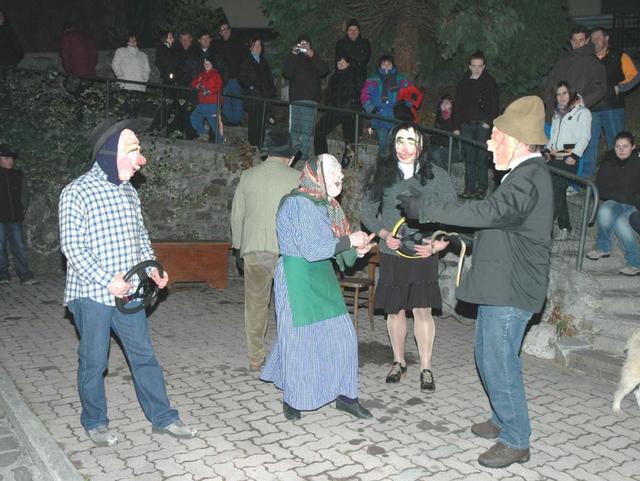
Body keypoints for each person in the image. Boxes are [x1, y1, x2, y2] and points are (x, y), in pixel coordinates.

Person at [398, 96, 553, 468]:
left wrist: (430, 209)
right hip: (499, 285)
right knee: (487, 356)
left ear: (516, 140)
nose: (488, 142)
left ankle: (517, 439)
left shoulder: (530, 177)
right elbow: (499, 229)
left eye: (496, 135)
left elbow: (489, 212)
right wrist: (453, 239)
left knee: (500, 363)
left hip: (512, 289)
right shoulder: (519, 176)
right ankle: (502, 419)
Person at [58, 119, 198, 447]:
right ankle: (95, 421)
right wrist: (107, 281)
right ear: (110, 153)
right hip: (92, 294)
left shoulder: (129, 193)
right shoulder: (76, 192)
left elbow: (140, 237)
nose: (142, 159)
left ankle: (163, 418)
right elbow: (72, 247)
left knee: (144, 356)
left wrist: (151, 268)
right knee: (94, 361)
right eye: (134, 150)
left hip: (130, 293)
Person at [260, 154, 375, 420]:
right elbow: (311, 249)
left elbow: (334, 248)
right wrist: (349, 240)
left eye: (342, 170)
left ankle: (347, 397)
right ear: (316, 173)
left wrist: (357, 250)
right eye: (335, 169)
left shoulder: (328, 205)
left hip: (321, 275)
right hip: (297, 275)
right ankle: (294, 398)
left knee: (344, 337)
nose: (342, 175)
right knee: (298, 341)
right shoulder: (298, 203)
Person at [361, 124, 455, 392]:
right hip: (392, 252)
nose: (404, 148)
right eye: (399, 141)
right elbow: (366, 211)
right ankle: (398, 362)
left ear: (421, 146)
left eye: (410, 142)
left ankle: (426, 367)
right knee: (395, 309)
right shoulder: (381, 175)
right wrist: (381, 233)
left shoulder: (437, 177)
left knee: (422, 310)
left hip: (423, 252)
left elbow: (452, 214)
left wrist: (439, 245)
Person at [230, 131, 301, 370]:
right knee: (288, 306)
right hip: (286, 252)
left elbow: (237, 215)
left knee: (256, 305)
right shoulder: (297, 177)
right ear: (290, 156)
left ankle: (255, 357)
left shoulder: (248, 176)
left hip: (254, 249)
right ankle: (290, 354)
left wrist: (238, 247)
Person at [581, 26, 639, 178]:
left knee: (617, 142)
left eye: (598, 38)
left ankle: (619, 176)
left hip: (612, 107)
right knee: (588, 143)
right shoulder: (587, 59)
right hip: (591, 108)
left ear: (607, 39)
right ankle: (586, 177)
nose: (595, 41)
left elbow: (634, 75)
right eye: (592, 39)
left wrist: (620, 87)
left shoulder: (618, 55)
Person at [587, 131, 640, 276]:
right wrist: (617, 194)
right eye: (618, 146)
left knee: (622, 223)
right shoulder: (609, 162)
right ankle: (603, 247)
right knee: (605, 210)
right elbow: (601, 187)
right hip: (615, 202)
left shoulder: (637, 162)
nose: (621, 150)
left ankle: (635, 263)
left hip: (634, 205)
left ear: (633, 147)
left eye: (625, 146)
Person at [544, 81, 592, 240]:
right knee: (555, 192)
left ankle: (546, 230)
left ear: (571, 94)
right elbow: (553, 136)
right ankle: (565, 226)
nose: (561, 97)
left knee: (556, 191)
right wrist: (547, 150)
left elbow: (585, 137)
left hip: (568, 159)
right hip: (553, 158)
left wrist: (574, 156)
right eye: (558, 94)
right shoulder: (557, 113)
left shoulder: (582, 113)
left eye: (564, 93)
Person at [452, 50, 500, 199]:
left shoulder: (490, 82)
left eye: (480, 66)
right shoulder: (463, 83)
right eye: (474, 66)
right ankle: (469, 188)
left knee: (481, 158)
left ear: (484, 66)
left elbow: (495, 105)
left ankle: (482, 188)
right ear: (469, 66)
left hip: (482, 126)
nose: (477, 69)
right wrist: (456, 127)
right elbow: (457, 106)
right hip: (466, 125)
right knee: (469, 158)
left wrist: (489, 122)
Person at [542, 25, 606, 123]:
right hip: (555, 115)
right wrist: (551, 105)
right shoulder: (563, 61)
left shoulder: (594, 63)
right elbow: (550, 84)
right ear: (571, 42)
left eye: (581, 40)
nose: (577, 44)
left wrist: (577, 105)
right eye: (574, 40)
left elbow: (599, 89)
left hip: (579, 116)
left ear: (587, 41)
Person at [282, 34, 329, 160]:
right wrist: (293, 54)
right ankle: (291, 156)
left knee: (307, 131)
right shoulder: (294, 58)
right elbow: (286, 72)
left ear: (310, 45)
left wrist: (312, 55)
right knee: (294, 130)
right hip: (296, 99)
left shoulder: (315, 57)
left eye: (306, 43)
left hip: (311, 100)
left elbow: (324, 70)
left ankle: (303, 157)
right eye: (301, 43)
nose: (303, 46)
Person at [0, 144, 37, 286]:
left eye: (11, 159)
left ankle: (26, 276)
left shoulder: (18, 175)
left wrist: (22, 208)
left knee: (20, 247)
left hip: (15, 218)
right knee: (0, 247)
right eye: (6, 158)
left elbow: (25, 195)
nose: (10, 161)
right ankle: (3, 275)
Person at [361, 55, 413, 154]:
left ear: (393, 65)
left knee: (396, 146)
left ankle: (394, 167)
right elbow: (365, 96)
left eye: (388, 63)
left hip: (396, 116)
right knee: (383, 145)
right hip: (380, 116)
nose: (386, 65)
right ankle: (381, 167)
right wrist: (370, 108)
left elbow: (410, 94)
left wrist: (408, 104)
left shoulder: (401, 79)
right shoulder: (372, 80)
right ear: (379, 66)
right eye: (383, 63)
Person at [313, 56, 360, 156]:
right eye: (339, 62)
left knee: (349, 138)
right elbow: (328, 93)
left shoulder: (353, 76)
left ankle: (348, 163)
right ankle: (322, 157)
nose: (341, 64)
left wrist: (350, 107)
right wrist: (328, 104)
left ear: (348, 63)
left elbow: (355, 93)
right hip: (333, 110)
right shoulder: (333, 77)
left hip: (347, 111)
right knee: (319, 131)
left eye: (343, 62)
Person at [238, 37, 278, 147]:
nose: (258, 48)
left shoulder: (264, 62)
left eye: (260, 45)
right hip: (253, 97)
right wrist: (251, 87)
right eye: (256, 45)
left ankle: (259, 145)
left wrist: (272, 91)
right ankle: (252, 146)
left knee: (261, 123)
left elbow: (269, 78)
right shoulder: (246, 60)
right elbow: (242, 78)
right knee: (254, 122)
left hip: (264, 97)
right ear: (251, 48)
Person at [215, 22, 245, 125]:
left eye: (227, 28)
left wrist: (240, 75)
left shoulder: (238, 43)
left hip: (236, 78)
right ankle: (229, 121)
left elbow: (242, 60)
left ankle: (237, 121)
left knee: (237, 100)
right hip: (224, 78)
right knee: (226, 101)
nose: (226, 31)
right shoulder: (218, 46)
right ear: (220, 32)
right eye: (223, 29)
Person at [190, 59, 223, 143]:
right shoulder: (201, 75)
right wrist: (198, 85)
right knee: (194, 117)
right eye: (205, 63)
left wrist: (210, 91)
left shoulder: (216, 75)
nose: (206, 64)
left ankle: (220, 142)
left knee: (214, 124)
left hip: (212, 104)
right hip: (202, 103)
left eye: (208, 63)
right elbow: (193, 83)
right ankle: (203, 134)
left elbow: (219, 86)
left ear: (212, 64)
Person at [335, 18, 371, 87]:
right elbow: (339, 61)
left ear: (359, 31)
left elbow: (365, 59)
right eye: (350, 30)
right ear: (347, 32)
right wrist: (353, 61)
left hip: (360, 78)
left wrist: (349, 62)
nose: (353, 32)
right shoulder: (341, 44)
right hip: (345, 79)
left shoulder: (365, 43)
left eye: (355, 30)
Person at [0, 9, 23, 96]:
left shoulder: (9, 31)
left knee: (7, 90)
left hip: (7, 66)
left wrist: (12, 62)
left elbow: (18, 49)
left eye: (1, 16)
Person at [430, 94, 455, 171]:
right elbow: (435, 136)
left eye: (447, 103)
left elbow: (454, 139)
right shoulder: (439, 118)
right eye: (442, 102)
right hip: (439, 146)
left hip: (453, 149)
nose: (444, 104)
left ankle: (446, 173)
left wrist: (442, 146)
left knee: (436, 154)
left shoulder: (455, 118)